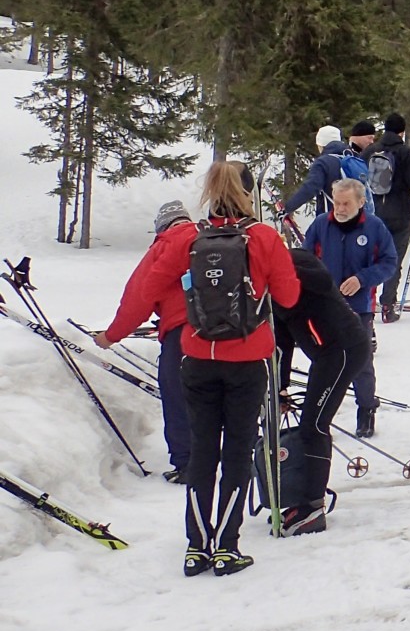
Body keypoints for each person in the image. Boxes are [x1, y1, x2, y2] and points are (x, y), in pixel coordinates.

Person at [94, 160, 299, 578]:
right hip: (247, 359)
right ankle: (226, 545)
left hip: (197, 358)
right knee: (237, 451)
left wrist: (114, 333)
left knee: (204, 451)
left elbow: (148, 287)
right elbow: (289, 296)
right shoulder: (262, 237)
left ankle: (196, 546)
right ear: (248, 194)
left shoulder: (186, 237)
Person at [94, 200, 198, 481]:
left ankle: (189, 465)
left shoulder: (165, 246)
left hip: (184, 334)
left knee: (177, 395)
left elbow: (139, 298)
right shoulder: (213, 238)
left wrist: (110, 336)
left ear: (161, 228)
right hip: (231, 333)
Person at [274, 246, 372, 535]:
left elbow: (319, 279)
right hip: (325, 354)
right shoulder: (268, 285)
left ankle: (312, 507)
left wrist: (286, 277)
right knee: (310, 425)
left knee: (314, 426)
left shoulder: (296, 265)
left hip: (344, 348)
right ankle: (303, 502)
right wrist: (281, 387)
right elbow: (283, 340)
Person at [300, 178, 396, 438]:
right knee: (322, 361)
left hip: (359, 306)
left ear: (361, 203)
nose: (340, 208)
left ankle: (366, 410)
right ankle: (317, 413)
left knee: (361, 362)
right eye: (336, 203)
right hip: (324, 306)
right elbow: (303, 260)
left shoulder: (375, 227)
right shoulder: (321, 225)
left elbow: (389, 263)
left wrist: (362, 279)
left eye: (346, 203)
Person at [370, 113, 410, 323]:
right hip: (401, 213)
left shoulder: (372, 151)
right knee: (393, 260)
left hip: (375, 212)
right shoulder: (406, 152)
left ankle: (366, 304)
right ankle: (388, 306)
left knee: (370, 258)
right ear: (402, 131)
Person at [280, 125, 348, 219]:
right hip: (355, 217)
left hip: (332, 219)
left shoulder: (324, 162)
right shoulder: (352, 158)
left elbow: (310, 188)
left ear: (320, 144)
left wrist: (287, 208)